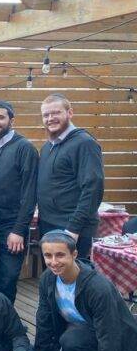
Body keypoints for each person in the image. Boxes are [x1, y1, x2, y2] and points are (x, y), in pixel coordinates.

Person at [35, 231, 137, 351]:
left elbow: (109, 337)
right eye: (48, 256)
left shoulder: (98, 287)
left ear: (74, 254)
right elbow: (44, 321)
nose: (54, 262)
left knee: (71, 340)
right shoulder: (48, 279)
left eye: (60, 255)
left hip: (120, 342)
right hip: (82, 336)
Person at [0, 101, 39, 302]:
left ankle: (6, 319)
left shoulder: (24, 148)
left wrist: (19, 230)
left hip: (12, 227)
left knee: (7, 279)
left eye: (0, 117)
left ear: (12, 121)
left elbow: (30, 193)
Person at [37, 93, 104, 259]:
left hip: (72, 230)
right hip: (48, 226)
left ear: (70, 113)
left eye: (56, 113)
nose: (50, 118)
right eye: (46, 115)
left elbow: (93, 189)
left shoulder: (85, 143)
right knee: (52, 273)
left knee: (75, 275)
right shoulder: (47, 148)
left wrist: (74, 228)